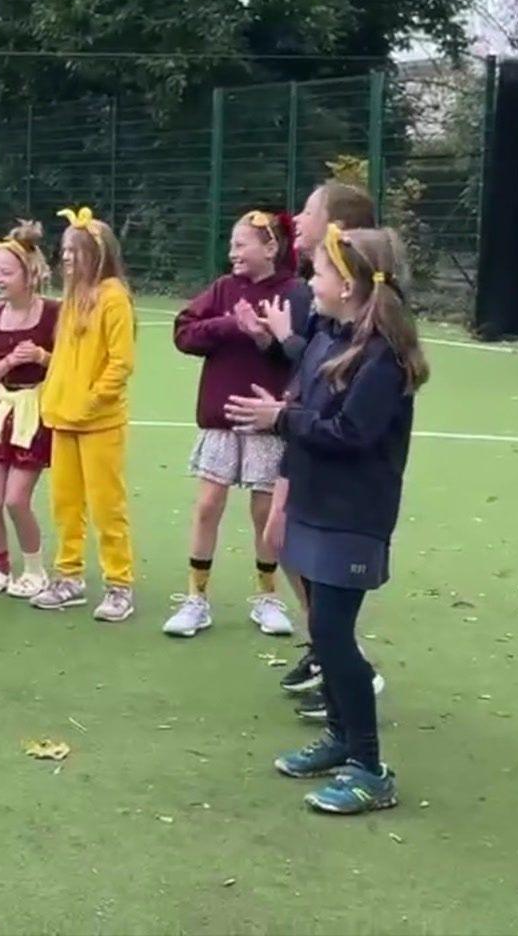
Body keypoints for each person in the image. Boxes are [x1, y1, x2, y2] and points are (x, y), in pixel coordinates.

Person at [227, 226, 425, 814]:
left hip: (353, 515)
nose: (309, 280)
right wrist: (284, 493)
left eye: (319, 272)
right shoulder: (327, 338)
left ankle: (370, 768)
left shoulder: (383, 358)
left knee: (334, 635)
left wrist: (279, 419)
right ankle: (341, 739)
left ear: (351, 284)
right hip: (314, 504)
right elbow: (305, 413)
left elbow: (351, 434)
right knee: (322, 629)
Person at [234, 181, 377, 697]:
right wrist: (282, 340)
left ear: (335, 226)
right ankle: (328, 652)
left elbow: (344, 395)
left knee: (300, 548)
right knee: (285, 542)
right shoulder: (321, 297)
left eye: (309, 210)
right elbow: (315, 360)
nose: (297, 216)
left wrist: (284, 415)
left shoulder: (362, 315)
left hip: (330, 461)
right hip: (304, 441)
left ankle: (342, 663)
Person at [165, 210, 304, 638]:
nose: (233, 252)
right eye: (231, 244)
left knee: (266, 511)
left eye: (241, 244)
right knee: (208, 505)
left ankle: (267, 598)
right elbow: (184, 333)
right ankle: (196, 599)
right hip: (220, 419)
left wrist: (266, 338)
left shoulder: (295, 293)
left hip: (267, 421)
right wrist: (231, 325)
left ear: (270, 248)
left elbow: (301, 353)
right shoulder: (224, 289)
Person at [34, 206, 137, 620]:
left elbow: (121, 362)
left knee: (106, 504)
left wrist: (94, 399)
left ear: (98, 253)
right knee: (65, 502)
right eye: (64, 250)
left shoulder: (114, 298)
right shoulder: (72, 299)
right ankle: (69, 576)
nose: (68, 258)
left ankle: (119, 584)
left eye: (76, 250)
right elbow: (63, 356)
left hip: (98, 422)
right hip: (62, 418)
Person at [0, 223, 57, 597]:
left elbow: (70, 366)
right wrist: (7, 364)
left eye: (6, 272)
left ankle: (35, 570)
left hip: (34, 413)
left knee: (16, 499)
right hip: (0, 412)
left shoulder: (54, 314)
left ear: (29, 275)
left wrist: (41, 356)